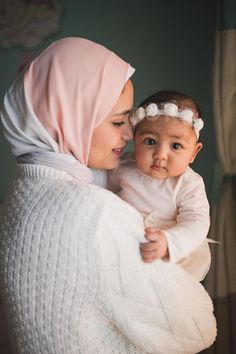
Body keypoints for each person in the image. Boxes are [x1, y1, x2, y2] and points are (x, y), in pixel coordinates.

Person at [0, 37, 216, 354]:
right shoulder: (95, 213)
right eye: (118, 121)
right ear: (71, 118)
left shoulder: (18, 196)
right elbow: (199, 328)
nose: (130, 135)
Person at [109, 90, 211, 281]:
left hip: (166, 247)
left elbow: (197, 222)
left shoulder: (188, 183)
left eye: (176, 146)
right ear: (135, 139)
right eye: (150, 141)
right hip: (125, 241)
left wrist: (169, 242)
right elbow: (98, 189)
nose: (160, 155)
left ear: (193, 153)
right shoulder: (123, 167)